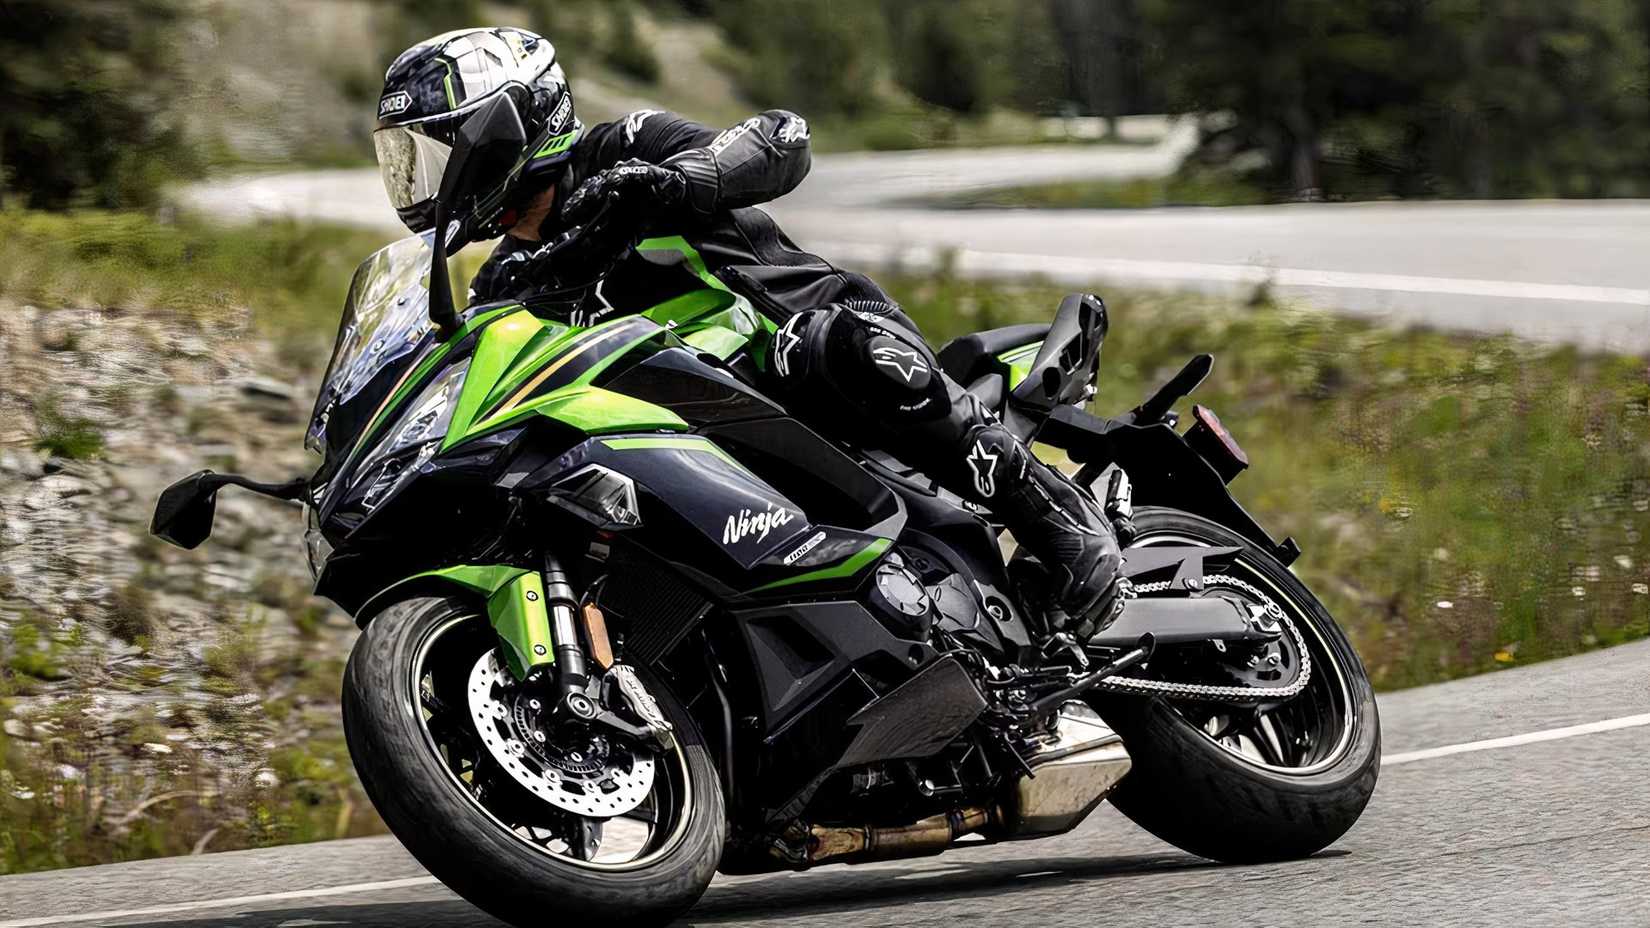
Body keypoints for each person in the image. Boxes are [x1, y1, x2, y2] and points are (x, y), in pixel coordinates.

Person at [371, 27, 1122, 634]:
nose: (418, 181)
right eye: (404, 161)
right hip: (693, 430)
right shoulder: (506, 281)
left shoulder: (624, 149)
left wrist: (681, 180)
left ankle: (1053, 512)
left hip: (802, 353)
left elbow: (779, 139)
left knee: (823, 350)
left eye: (431, 153)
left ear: (500, 133)